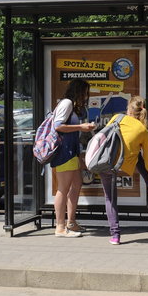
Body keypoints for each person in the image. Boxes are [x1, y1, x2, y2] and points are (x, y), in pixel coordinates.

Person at [100, 95, 148, 245]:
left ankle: (115, 235)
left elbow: (104, 136)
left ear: (128, 109)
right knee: (138, 156)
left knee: (110, 198)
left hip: (107, 162)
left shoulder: (117, 118)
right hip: (124, 163)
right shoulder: (143, 131)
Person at [51, 79, 97, 237]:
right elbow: (57, 125)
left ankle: (71, 222)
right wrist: (81, 127)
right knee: (63, 189)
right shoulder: (67, 104)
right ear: (78, 91)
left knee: (76, 185)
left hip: (72, 151)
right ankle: (60, 227)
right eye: (85, 92)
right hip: (64, 152)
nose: (86, 96)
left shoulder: (72, 106)